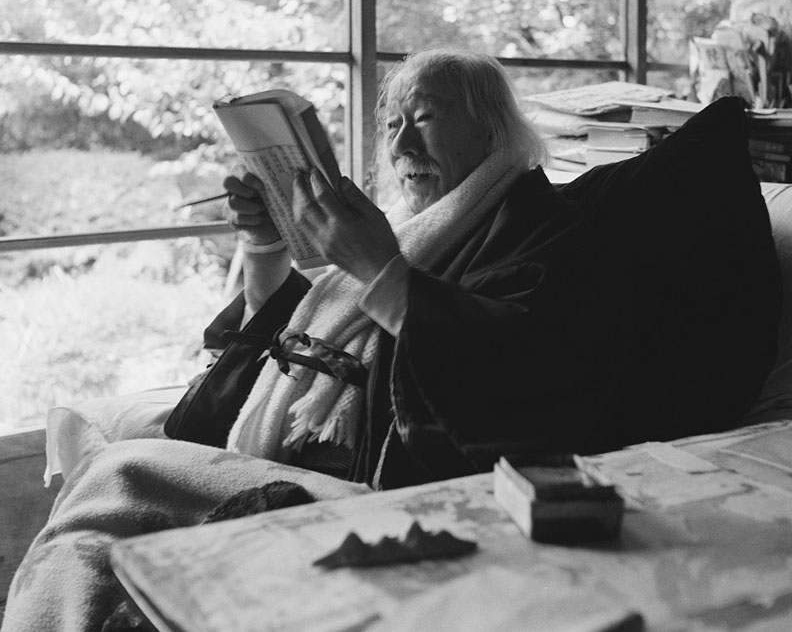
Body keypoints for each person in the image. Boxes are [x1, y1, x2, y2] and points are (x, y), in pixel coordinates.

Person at [1, 49, 589, 632]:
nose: (403, 145)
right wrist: (266, 247)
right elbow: (298, 342)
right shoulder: (420, 226)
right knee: (109, 494)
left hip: (390, 494)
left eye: (426, 118)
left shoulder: (540, 229)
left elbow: (506, 374)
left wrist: (380, 269)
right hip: (302, 461)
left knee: (120, 474)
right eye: (392, 126)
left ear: (492, 128)